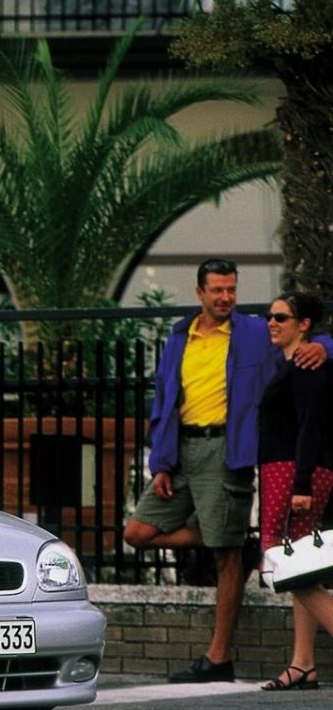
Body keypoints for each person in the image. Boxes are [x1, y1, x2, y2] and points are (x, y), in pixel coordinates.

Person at [123, 259, 328, 683]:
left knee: (226, 556)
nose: (225, 297)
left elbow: (300, 333)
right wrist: (161, 462)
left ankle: (218, 658)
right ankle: (234, 537)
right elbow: (164, 400)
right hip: (180, 452)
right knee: (138, 532)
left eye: (231, 289)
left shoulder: (254, 332)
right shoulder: (180, 336)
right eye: (217, 290)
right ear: (200, 292)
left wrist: (325, 345)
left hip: (226, 450)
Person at [257, 292, 333, 691]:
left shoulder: (306, 366)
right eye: (270, 316)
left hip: (293, 473)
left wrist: (301, 483)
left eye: (281, 317)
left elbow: (310, 426)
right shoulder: (294, 364)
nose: (272, 322)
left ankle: (304, 662)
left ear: (304, 325)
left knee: (284, 563)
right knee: (301, 564)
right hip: (288, 472)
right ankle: (303, 663)